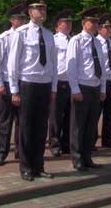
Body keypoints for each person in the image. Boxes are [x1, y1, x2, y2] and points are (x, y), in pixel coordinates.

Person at [8, 0, 58, 181]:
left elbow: (53, 63)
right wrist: (14, 90)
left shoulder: (48, 35)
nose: (43, 11)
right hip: (28, 84)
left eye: (44, 8)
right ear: (30, 11)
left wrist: (53, 88)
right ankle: (26, 166)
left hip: (44, 85)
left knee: (40, 127)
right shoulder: (21, 33)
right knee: (26, 127)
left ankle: (39, 165)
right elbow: (13, 63)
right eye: (39, 8)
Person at [67, 6, 107, 171]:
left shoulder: (98, 42)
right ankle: (77, 158)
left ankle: (87, 156)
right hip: (82, 87)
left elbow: (103, 67)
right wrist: (75, 89)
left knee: (91, 125)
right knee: (78, 125)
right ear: (84, 23)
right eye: (93, 21)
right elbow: (72, 66)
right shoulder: (76, 40)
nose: (96, 24)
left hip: (95, 87)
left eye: (97, 21)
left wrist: (103, 88)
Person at [0, 3, 27, 166]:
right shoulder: (3, 38)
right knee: (6, 119)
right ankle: (0, 152)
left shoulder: (27, 35)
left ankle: (21, 150)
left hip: (24, 82)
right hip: (6, 82)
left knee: (22, 120)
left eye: (24, 18)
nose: (22, 21)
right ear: (12, 20)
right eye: (19, 19)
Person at [48, 8, 73, 156]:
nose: (69, 25)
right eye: (65, 22)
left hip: (72, 83)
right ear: (57, 25)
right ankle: (54, 144)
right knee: (55, 116)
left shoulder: (74, 40)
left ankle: (67, 144)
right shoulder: (53, 40)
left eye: (70, 22)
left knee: (70, 116)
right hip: (58, 82)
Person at [94, 13, 111, 149]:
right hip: (99, 82)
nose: (109, 29)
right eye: (106, 27)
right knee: (95, 114)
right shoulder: (95, 42)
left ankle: (107, 141)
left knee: (109, 114)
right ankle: (91, 142)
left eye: (110, 27)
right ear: (99, 29)